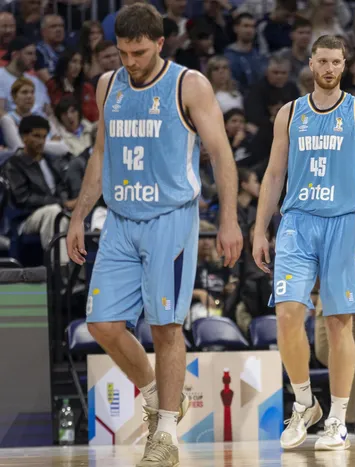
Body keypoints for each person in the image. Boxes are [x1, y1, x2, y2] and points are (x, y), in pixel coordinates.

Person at [65, 4, 243, 467]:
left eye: (139, 52)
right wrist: (80, 215)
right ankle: (157, 393)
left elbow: (221, 155)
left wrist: (228, 220)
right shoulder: (109, 85)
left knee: (165, 326)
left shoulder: (189, 85)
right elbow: (100, 153)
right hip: (121, 218)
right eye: (122, 53)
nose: (130, 62)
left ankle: (164, 433)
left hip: (171, 219)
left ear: (160, 43)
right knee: (102, 324)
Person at [251, 34, 355, 451]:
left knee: (337, 322)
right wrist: (261, 228)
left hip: (344, 222)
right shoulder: (290, 112)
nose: (330, 68)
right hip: (297, 221)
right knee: (287, 315)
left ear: (345, 64)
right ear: (310, 63)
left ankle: (336, 418)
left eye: (337, 62)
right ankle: (303, 404)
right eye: (323, 61)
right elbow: (274, 174)